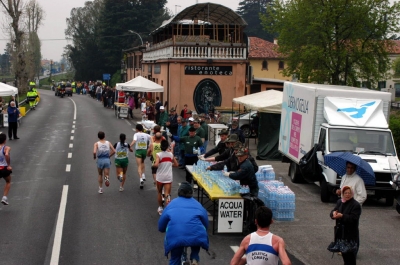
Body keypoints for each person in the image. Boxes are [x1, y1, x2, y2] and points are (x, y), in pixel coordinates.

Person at [158, 182, 209, 265]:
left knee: (174, 259)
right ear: (191, 193)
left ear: (179, 192)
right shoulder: (198, 205)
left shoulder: (171, 205)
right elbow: (206, 225)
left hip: (177, 236)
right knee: (197, 235)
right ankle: (195, 258)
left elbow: (161, 227)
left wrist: (164, 228)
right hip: (195, 234)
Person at [330, 186, 361, 265]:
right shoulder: (340, 202)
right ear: (342, 194)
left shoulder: (356, 205)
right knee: (345, 257)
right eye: (345, 193)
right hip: (341, 235)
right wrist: (333, 213)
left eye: (349, 193)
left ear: (352, 194)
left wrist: (342, 216)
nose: (347, 195)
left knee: (350, 258)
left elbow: (353, 218)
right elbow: (333, 211)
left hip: (350, 236)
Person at [153, 140, 178, 215]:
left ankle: (160, 208)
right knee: (167, 194)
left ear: (161, 147)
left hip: (160, 177)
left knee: (160, 192)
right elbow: (176, 164)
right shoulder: (170, 154)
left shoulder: (158, 154)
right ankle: (168, 206)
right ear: (167, 146)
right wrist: (170, 164)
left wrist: (154, 165)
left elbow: (156, 164)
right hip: (168, 177)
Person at [130, 124, 152, 189]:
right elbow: (151, 137)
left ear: (137, 129)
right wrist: (150, 146)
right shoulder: (146, 135)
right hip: (144, 151)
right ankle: (143, 175)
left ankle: (141, 179)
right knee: (142, 163)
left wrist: (129, 146)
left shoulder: (136, 134)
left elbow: (134, 141)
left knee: (139, 165)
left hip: (138, 151)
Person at [0, 133, 12, 205]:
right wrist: (8, 165)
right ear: (5, 140)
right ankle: (4, 197)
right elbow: (6, 154)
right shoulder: (6, 148)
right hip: (4, 168)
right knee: (8, 181)